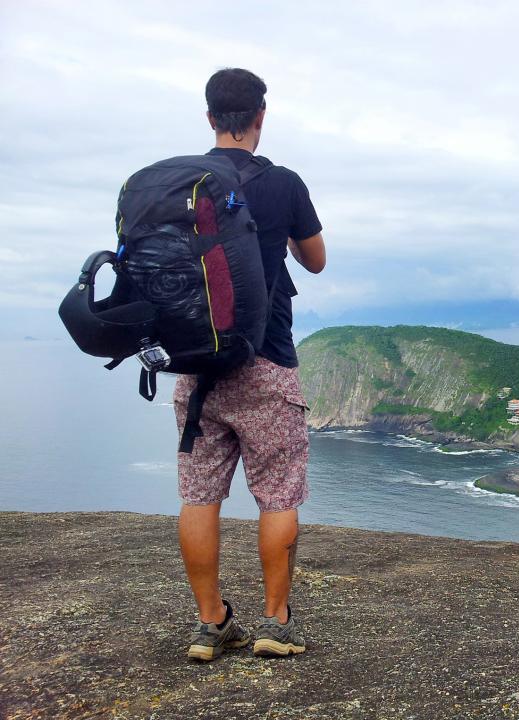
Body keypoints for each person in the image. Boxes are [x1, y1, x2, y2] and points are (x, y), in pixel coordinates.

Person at [175, 68, 326, 661]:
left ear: (210, 117)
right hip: (266, 362)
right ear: (261, 117)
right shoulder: (283, 183)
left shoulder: (181, 184)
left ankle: (210, 624)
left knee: (200, 494)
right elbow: (314, 260)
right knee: (279, 495)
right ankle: (274, 623)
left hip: (198, 367)